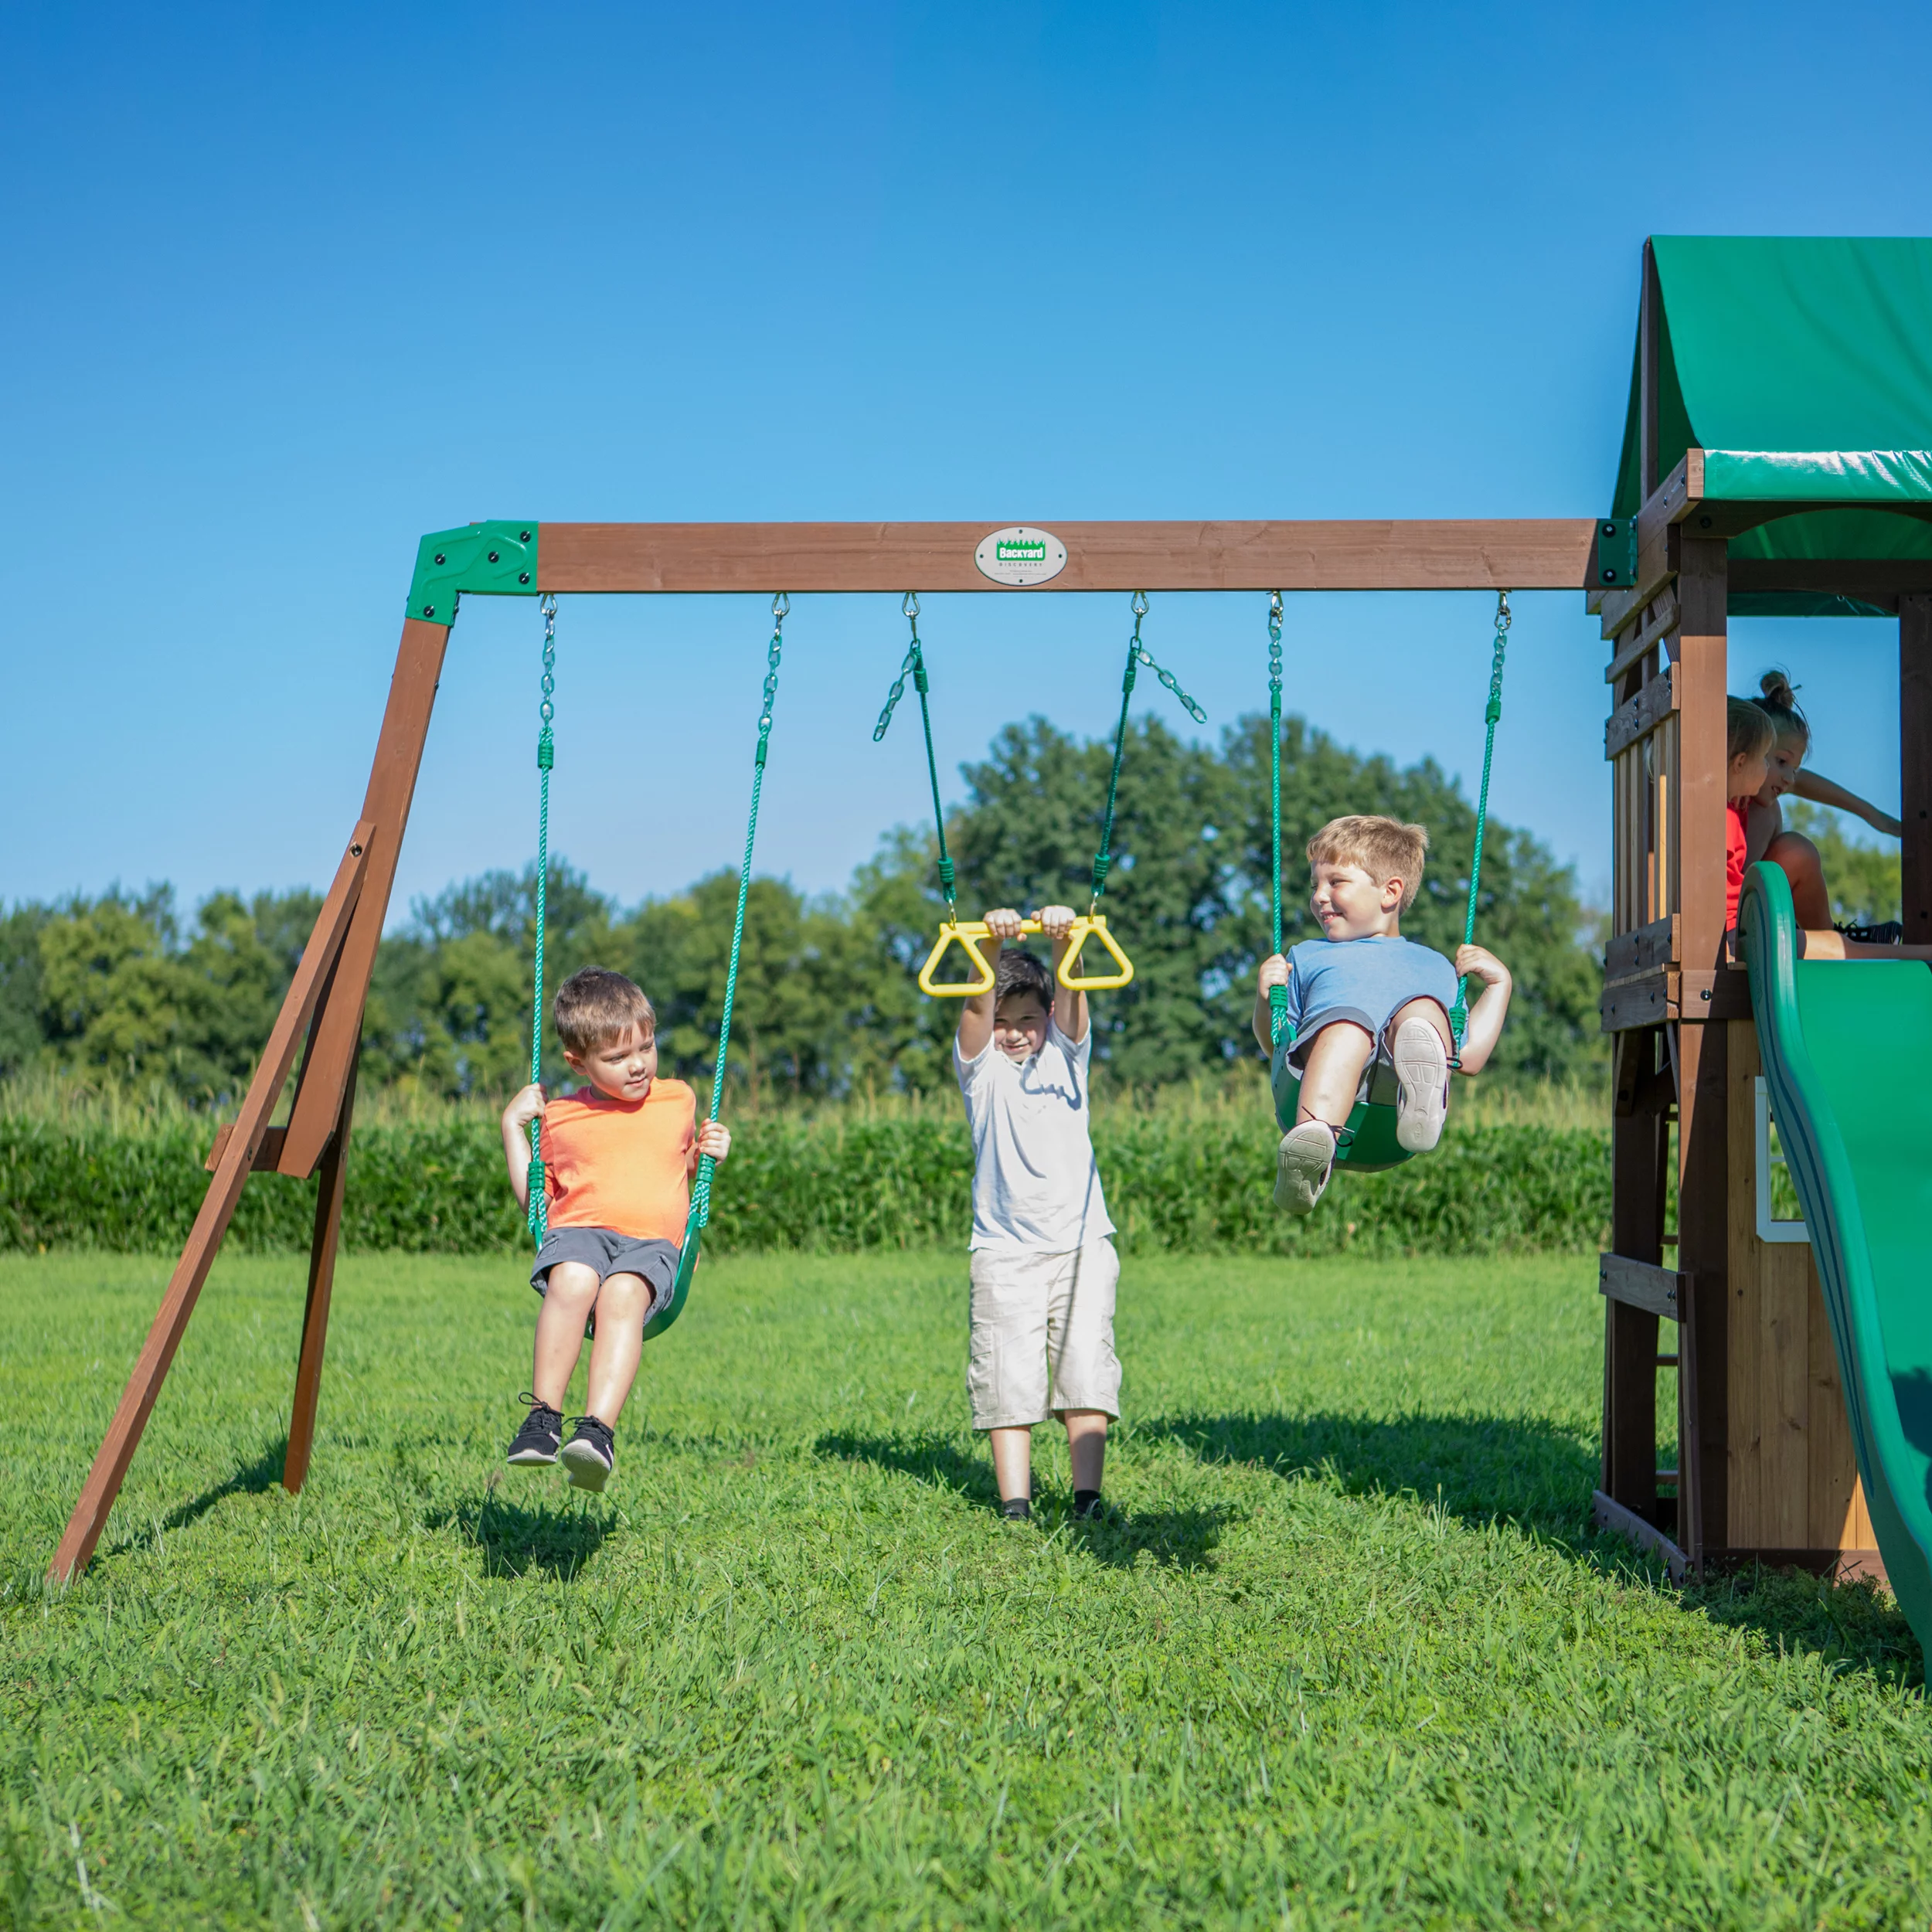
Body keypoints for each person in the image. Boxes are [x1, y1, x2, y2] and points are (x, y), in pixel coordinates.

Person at [498, 966, 730, 1492]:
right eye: (617, 1057)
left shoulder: (678, 1100)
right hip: (578, 1234)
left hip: (650, 1246)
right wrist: (513, 1127)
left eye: (646, 1048)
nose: (638, 1066)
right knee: (575, 1279)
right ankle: (542, 1421)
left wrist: (710, 1153)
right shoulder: (560, 1116)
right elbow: (536, 1200)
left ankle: (597, 1433)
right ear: (577, 1062)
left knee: (623, 1293)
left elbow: (684, 1166)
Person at [1253, 815, 1512, 1216]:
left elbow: (1469, 1057)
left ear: (1390, 892)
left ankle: (1422, 1101)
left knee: (1421, 1012)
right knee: (1348, 1026)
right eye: (1315, 885)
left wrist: (1499, 985)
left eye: (1336, 882)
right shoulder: (1306, 956)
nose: (1320, 896)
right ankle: (1309, 1153)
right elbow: (1276, 1044)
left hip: (1392, 1109)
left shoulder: (1436, 966)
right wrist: (1265, 997)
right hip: (1319, 1098)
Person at [954, 906, 1119, 1525]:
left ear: (1047, 1019)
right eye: (1004, 1021)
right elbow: (973, 1011)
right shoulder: (982, 1072)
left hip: (1081, 1246)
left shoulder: (1067, 1058)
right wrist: (993, 951)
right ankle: (1015, 1506)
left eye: (1028, 1019)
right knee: (1005, 1375)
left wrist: (1062, 942)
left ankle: (1087, 1499)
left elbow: (1073, 999)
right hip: (1003, 1251)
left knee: (1085, 1370)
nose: (1015, 1032)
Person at [1747, 669, 1904, 940]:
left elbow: (1802, 782)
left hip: (1754, 914)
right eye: (1782, 762)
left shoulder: (1767, 787)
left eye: (1794, 769)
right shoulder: (1728, 787)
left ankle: (1828, 938)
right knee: (1794, 847)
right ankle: (1830, 941)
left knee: (1795, 847)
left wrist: (1874, 816)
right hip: (1726, 921)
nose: (1789, 779)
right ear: (1747, 752)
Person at [1725, 696, 1776, 934]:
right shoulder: (1721, 820)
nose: (1768, 767)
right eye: (1765, 758)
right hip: (1735, 933)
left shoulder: (1730, 811)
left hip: (1740, 926)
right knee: (1830, 947)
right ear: (1741, 763)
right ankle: (1902, 956)